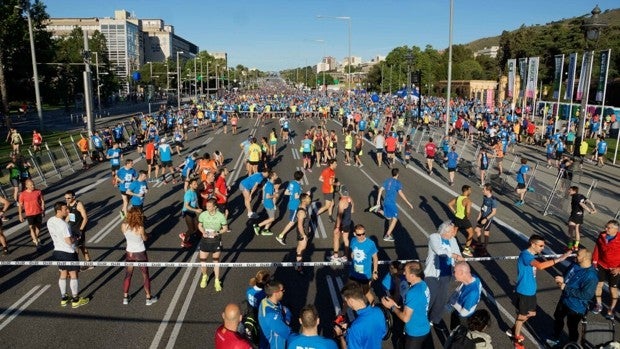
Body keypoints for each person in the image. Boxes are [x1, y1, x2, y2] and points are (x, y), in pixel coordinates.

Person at [507, 235, 571, 348]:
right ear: (533, 244)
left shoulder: (531, 255)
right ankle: (516, 339)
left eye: (543, 246)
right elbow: (540, 266)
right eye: (541, 246)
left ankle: (514, 329)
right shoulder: (525, 255)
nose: (542, 248)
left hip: (531, 290)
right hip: (524, 291)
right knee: (522, 316)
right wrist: (560, 259)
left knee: (531, 313)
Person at [546, 248, 598, 347]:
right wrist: (562, 280)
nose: (575, 256)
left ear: (585, 258)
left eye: (578, 255)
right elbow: (567, 276)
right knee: (558, 317)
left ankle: (572, 344)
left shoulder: (591, 276)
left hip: (576, 307)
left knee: (572, 327)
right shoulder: (575, 264)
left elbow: (586, 295)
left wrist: (566, 287)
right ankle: (555, 336)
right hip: (564, 299)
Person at [382, 261, 432, 349]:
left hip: (415, 333)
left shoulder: (413, 292)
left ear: (412, 275)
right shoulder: (423, 285)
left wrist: (392, 307)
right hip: (424, 328)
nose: (404, 273)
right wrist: (395, 304)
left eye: (406, 271)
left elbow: (405, 318)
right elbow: (413, 306)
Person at [48, 202, 89, 308]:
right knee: (73, 275)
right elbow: (69, 241)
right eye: (65, 209)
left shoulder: (51, 221)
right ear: (59, 211)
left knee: (62, 274)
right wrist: (76, 237)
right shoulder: (64, 225)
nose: (68, 211)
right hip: (68, 252)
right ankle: (75, 299)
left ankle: (64, 298)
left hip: (57, 251)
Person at [425, 221, 464, 327]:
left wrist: (459, 266)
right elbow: (439, 251)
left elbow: (458, 254)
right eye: (452, 231)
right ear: (445, 231)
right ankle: (421, 316)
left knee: (441, 299)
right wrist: (454, 256)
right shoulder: (434, 237)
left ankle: (433, 319)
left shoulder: (453, 240)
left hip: (446, 274)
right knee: (430, 297)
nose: (454, 233)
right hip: (432, 274)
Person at [333, 281, 387, 349]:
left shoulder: (354, 329)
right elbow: (383, 334)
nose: (346, 304)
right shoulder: (378, 312)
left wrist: (340, 336)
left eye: (345, 301)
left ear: (350, 301)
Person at [121, 207, 157, 306]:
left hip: (129, 252)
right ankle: (148, 298)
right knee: (145, 275)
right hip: (140, 253)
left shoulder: (124, 225)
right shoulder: (140, 227)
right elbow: (144, 239)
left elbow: (126, 235)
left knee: (128, 275)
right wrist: (147, 235)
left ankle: (125, 297)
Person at [370, 168, 414, 242]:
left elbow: (380, 190)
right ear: (397, 174)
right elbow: (400, 193)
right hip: (391, 203)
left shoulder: (387, 180)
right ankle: (387, 235)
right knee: (395, 218)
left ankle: (379, 210)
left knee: (388, 218)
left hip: (386, 202)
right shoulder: (398, 183)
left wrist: (378, 201)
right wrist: (408, 203)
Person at [198, 198, 228, 292]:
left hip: (215, 241)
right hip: (205, 240)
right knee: (203, 261)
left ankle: (216, 280)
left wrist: (217, 232)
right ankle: (204, 276)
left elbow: (225, 228)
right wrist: (203, 231)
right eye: (207, 206)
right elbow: (200, 225)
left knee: (216, 261)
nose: (207, 207)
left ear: (215, 207)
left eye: (209, 206)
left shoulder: (220, 216)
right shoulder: (203, 214)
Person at [592, 220, 620, 320]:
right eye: (606, 226)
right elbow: (597, 248)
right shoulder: (602, 235)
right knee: (598, 284)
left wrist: (619, 268)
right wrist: (594, 262)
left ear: (616, 229)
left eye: (608, 227)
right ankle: (599, 304)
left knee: (612, 289)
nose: (605, 229)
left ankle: (611, 309)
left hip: (614, 268)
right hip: (601, 265)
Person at [349, 224, 379, 304]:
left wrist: (375, 271)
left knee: (366, 293)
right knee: (349, 294)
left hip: (365, 275)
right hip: (353, 273)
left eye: (363, 233)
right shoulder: (353, 240)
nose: (362, 236)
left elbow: (375, 258)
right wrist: (352, 254)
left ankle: (373, 308)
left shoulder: (370, 244)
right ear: (354, 234)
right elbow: (353, 251)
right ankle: (343, 313)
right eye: (359, 234)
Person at [258, 280, 292, 349]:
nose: (284, 291)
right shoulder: (271, 316)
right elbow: (287, 333)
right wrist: (288, 316)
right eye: (282, 290)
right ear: (275, 293)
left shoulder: (265, 301)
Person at [448, 262, 482, 330]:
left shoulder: (473, 293)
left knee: (456, 336)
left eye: (454, 272)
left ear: (461, 273)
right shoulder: (474, 277)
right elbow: (461, 287)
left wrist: (453, 302)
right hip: (457, 312)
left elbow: (464, 313)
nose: (453, 274)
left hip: (463, 319)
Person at [64, 190, 92, 269]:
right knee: (81, 246)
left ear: (74, 197)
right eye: (65, 198)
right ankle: (89, 263)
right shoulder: (68, 204)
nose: (67, 200)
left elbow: (85, 218)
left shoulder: (79, 204)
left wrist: (81, 230)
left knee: (75, 247)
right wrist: (63, 223)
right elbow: (70, 215)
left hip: (78, 229)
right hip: (72, 228)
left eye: (68, 198)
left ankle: (75, 266)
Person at [276, 170, 304, 246]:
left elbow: (286, 192)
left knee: (298, 218)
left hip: (291, 203)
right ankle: (281, 236)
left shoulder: (291, 183)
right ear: (301, 178)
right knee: (292, 222)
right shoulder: (297, 185)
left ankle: (300, 230)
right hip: (295, 205)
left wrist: (293, 193)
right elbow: (296, 196)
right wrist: (304, 195)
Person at [448, 185, 475, 257]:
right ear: (467, 190)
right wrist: (468, 217)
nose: (470, 191)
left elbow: (450, 204)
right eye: (470, 190)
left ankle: (449, 245)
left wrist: (455, 211)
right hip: (463, 219)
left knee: (454, 232)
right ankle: (466, 250)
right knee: (471, 233)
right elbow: (468, 212)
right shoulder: (468, 200)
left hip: (456, 217)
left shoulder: (458, 198)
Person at [566, 186, 596, 251]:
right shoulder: (581, 195)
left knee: (570, 231)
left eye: (570, 190)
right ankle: (576, 246)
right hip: (580, 215)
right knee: (577, 231)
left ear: (574, 191)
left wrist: (589, 211)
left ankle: (570, 246)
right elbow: (590, 202)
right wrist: (594, 209)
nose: (568, 191)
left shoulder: (574, 197)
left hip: (574, 215)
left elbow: (581, 204)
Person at [18, 179, 45, 249]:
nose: (33, 186)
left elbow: (42, 201)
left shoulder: (38, 191)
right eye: (31, 185)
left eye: (33, 184)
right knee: (31, 228)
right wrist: (20, 215)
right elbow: (20, 205)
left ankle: (35, 237)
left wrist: (43, 210)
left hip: (38, 212)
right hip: (29, 214)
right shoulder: (22, 194)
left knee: (38, 227)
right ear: (26, 186)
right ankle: (36, 242)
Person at [330, 186, 354, 262]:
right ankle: (346, 256)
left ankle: (335, 256)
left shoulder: (342, 201)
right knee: (346, 239)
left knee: (336, 238)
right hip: (348, 222)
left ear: (341, 192)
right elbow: (352, 211)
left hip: (341, 224)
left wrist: (337, 227)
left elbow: (339, 216)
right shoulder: (350, 199)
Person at [474, 184, 498, 257]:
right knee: (477, 230)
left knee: (486, 233)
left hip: (488, 219)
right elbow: (483, 206)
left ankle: (484, 249)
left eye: (484, 189)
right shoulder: (485, 197)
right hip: (483, 217)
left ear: (488, 190)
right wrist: (479, 215)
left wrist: (486, 219)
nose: (482, 191)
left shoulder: (493, 200)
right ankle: (479, 243)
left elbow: (494, 212)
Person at [179, 178, 202, 248]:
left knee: (197, 226)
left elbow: (194, 202)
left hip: (192, 211)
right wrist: (196, 210)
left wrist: (197, 208)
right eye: (194, 184)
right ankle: (184, 242)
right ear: (190, 185)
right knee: (191, 229)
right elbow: (186, 206)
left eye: (196, 184)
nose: (196, 185)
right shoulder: (188, 194)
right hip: (187, 212)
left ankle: (184, 234)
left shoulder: (194, 192)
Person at [293, 193, 312, 274]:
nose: (310, 199)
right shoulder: (302, 212)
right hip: (302, 233)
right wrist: (304, 235)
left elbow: (305, 222)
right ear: (303, 200)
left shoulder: (304, 208)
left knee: (300, 248)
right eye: (308, 198)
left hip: (304, 231)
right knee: (302, 249)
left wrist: (308, 227)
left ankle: (297, 263)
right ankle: (299, 267)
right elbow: (300, 225)